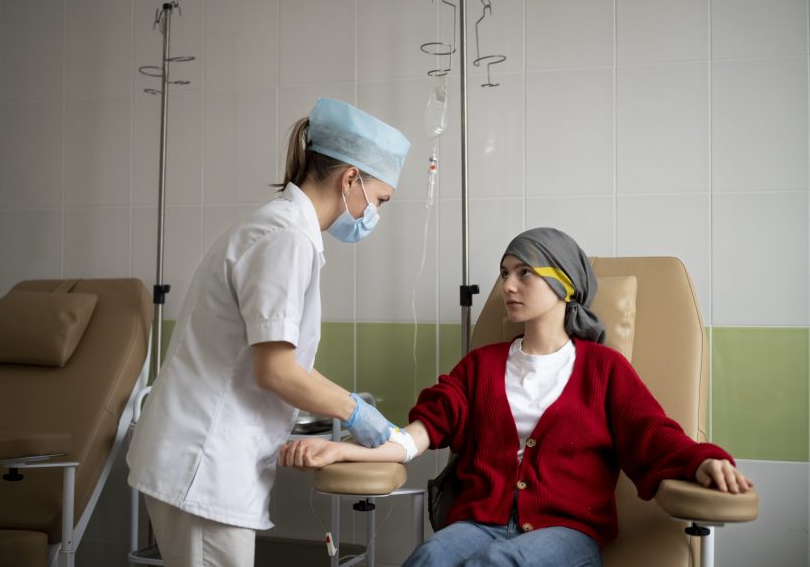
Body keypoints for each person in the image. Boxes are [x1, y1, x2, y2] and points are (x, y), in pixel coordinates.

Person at [279, 227, 753, 567]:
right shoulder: (480, 366)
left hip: (566, 536)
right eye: (505, 272)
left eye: (525, 273)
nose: (507, 285)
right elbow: (412, 439)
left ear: (564, 284)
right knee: (428, 557)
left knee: (496, 563)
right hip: (478, 522)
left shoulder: (603, 370)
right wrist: (341, 448)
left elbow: (654, 435)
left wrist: (701, 461)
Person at [127, 98, 411, 567]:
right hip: (204, 462)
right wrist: (358, 414)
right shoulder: (286, 237)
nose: (374, 214)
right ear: (350, 179)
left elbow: (282, 360)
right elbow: (277, 372)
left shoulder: (283, 229)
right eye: (379, 200)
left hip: (209, 457)